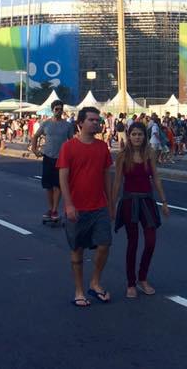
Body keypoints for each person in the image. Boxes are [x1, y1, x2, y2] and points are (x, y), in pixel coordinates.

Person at [58, 107, 115, 307]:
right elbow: (63, 178)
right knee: (77, 250)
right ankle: (79, 290)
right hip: (77, 207)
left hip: (99, 206)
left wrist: (110, 203)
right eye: (91, 119)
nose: (96, 123)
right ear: (80, 123)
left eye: (97, 120)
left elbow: (107, 176)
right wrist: (69, 205)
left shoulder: (102, 147)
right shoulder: (69, 147)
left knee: (104, 244)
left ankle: (95, 282)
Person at [111, 122, 169, 299]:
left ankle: (142, 278)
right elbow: (117, 182)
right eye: (134, 134)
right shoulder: (122, 155)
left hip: (147, 201)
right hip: (129, 201)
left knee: (151, 241)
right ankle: (131, 282)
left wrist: (164, 201)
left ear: (145, 136)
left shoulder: (149, 153)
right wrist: (112, 206)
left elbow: (156, 179)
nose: (137, 137)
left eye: (140, 134)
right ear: (129, 136)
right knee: (133, 243)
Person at [31, 100, 77, 223]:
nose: (59, 111)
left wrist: (72, 156)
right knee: (48, 185)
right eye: (56, 109)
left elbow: (71, 141)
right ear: (52, 110)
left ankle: (55, 209)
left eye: (61, 109)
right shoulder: (45, 124)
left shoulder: (67, 125)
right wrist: (34, 149)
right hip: (47, 156)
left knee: (58, 185)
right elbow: (35, 136)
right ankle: (50, 209)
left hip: (61, 159)